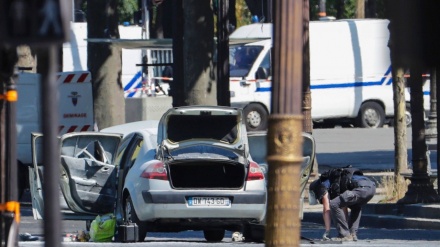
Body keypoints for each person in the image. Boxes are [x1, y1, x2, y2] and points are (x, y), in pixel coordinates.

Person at [309, 167, 376, 242]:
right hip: (371, 187)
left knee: (333, 204)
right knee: (355, 206)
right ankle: (352, 233)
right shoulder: (335, 179)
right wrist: (345, 225)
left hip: (360, 188)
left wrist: (327, 231)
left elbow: (327, 209)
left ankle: (344, 235)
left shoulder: (322, 186)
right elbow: (343, 207)